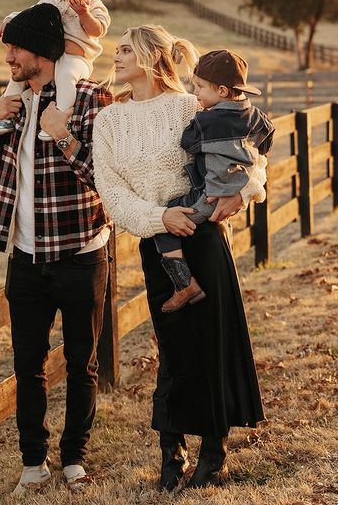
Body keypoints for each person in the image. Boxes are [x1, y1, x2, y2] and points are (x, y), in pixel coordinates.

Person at [92, 25, 265, 491]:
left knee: (213, 342)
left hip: (205, 240)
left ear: (150, 56)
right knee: (172, 347)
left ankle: (214, 454)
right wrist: (159, 216)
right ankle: (171, 452)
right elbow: (111, 191)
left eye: (126, 48)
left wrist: (245, 194)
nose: (117, 55)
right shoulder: (109, 121)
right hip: (159, 242)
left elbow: (247, 153)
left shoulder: (191, 106)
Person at [0, 2, 113, 494]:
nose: (8, 56)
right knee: (26, 366)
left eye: (16, 47)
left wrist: (64, 139)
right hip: (26, 260)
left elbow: (107, 179)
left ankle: (74, 458)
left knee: (82, 364)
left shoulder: (93, 100)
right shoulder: (15, 100)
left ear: (43, 50)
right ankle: (33, 463)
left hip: (81, 254)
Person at [153, 49, 275, 313]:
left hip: (207, 196)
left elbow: (188, 143)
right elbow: (268, 135)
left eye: (200, 87)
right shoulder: (253, 114)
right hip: (233, 191)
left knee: (165, 220)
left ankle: (183, 284)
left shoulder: (206, 120)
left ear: (221, 91)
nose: (195, 93)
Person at [0, 0, 110, 141]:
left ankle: (60, 117)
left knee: (65, 77)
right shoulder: (49, 0)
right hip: (55, 55)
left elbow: (99, 30)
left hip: (77, 58)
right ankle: (6, 118)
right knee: (17, 79)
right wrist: (11, 18)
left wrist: (84, 13)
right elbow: (30, 16)